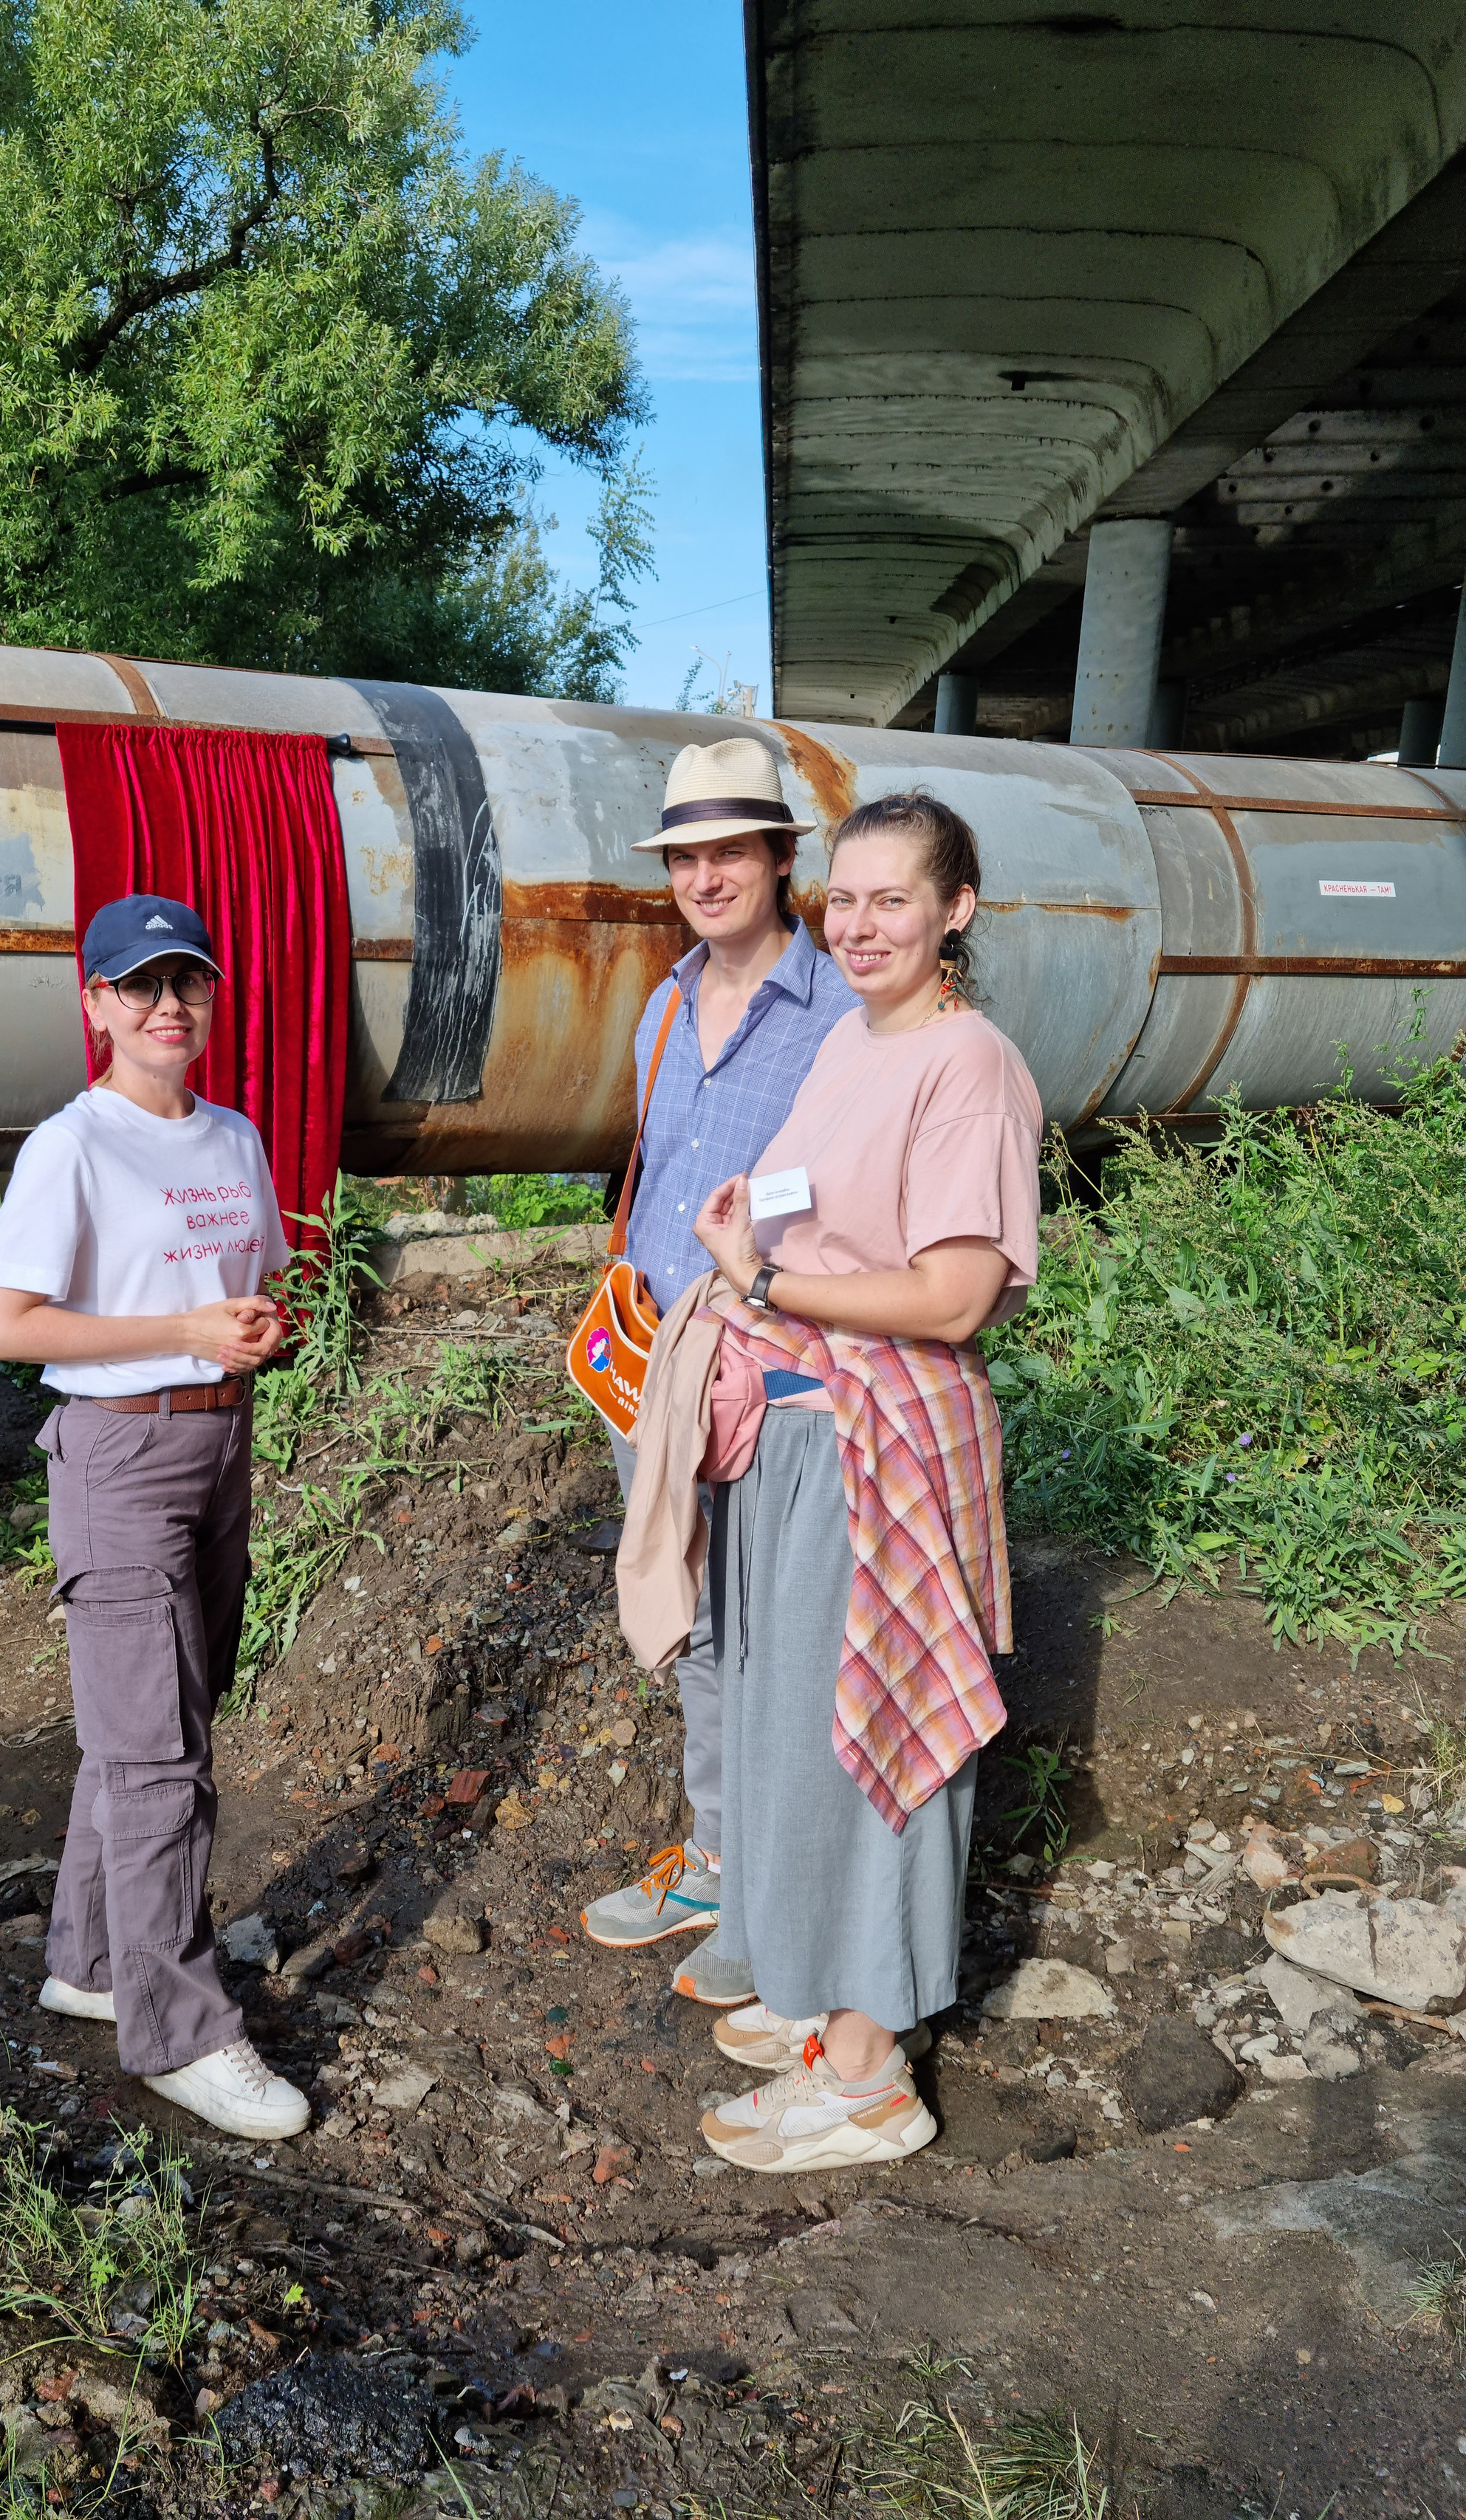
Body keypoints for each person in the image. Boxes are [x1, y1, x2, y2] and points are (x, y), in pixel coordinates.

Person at [621, 792, 1041, 2174]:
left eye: (893, 902)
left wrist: (766, 1276)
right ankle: (820, 1998)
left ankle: (870, 2079)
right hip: (803, 1426)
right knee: (803, 1730)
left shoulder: (965, 1060)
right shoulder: (856, 1041)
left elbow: (957, 1291)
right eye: (845, 902)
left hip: (886, 1441)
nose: (859, 927)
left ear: (955, 912)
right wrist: (755, 1239)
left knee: (880, 1740)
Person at [0, 892, 310, 2141]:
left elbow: (251, 1274)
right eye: (143, 984)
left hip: (220, 1437)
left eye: (192, 982)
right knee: (160, 1752)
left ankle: (92, 1959)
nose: (172, 1005)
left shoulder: (231, 1138)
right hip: (118, 1455)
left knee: (156, 1717)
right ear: (96, 1002)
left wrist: (256, 1321)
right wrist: (178, 1330)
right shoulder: (74, 1143)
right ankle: (183, 2031)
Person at [577, 734, 857, 2006]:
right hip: (657, 1351)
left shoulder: (843, 1013)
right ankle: (715, 1854)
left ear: (782, 858)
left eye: (728, 851)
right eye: (685, 855)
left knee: (774, 1631)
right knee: (692, 1610)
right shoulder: (666, 1002)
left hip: (772, 1362)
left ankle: (768, 1892)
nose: (705, 876)